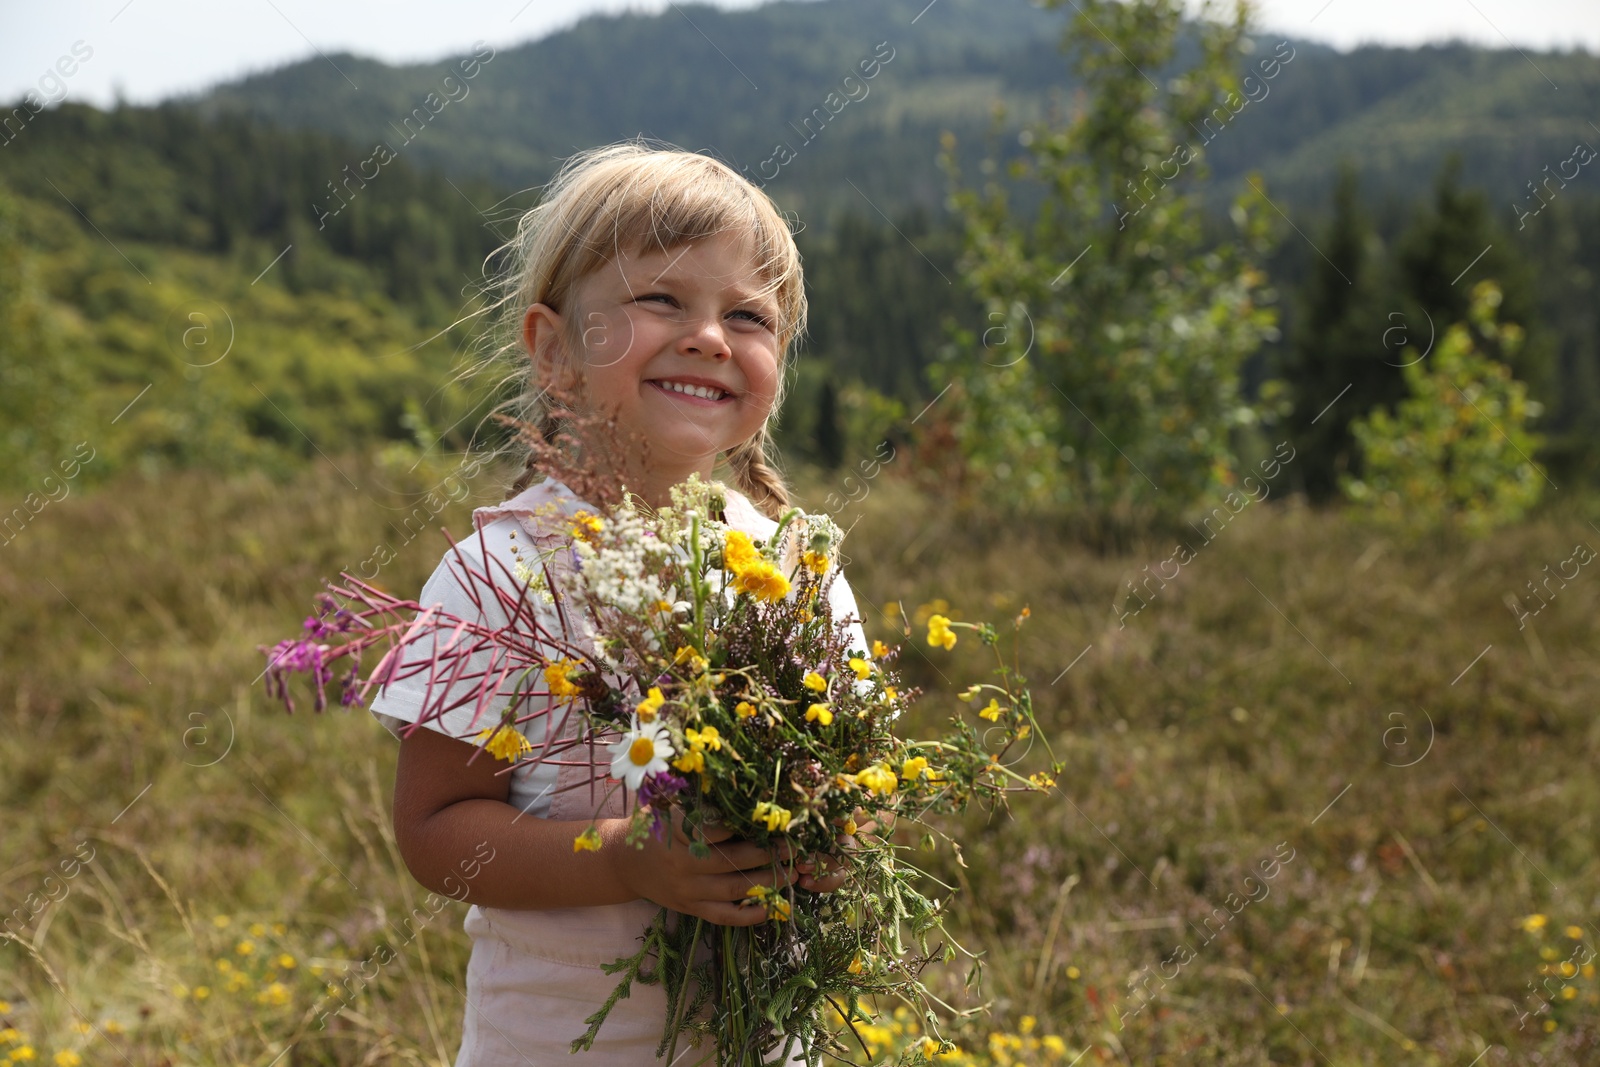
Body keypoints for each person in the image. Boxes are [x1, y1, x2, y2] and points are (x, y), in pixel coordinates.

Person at [368, 142, 870, 1066]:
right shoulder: (497, 576)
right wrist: (627, 856)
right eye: (661, 300)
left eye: (749, 316)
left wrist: (824, 839)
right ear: (554, 347)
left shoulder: (798, 568)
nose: (711, 337)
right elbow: (436, 834)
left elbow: (853, 786)